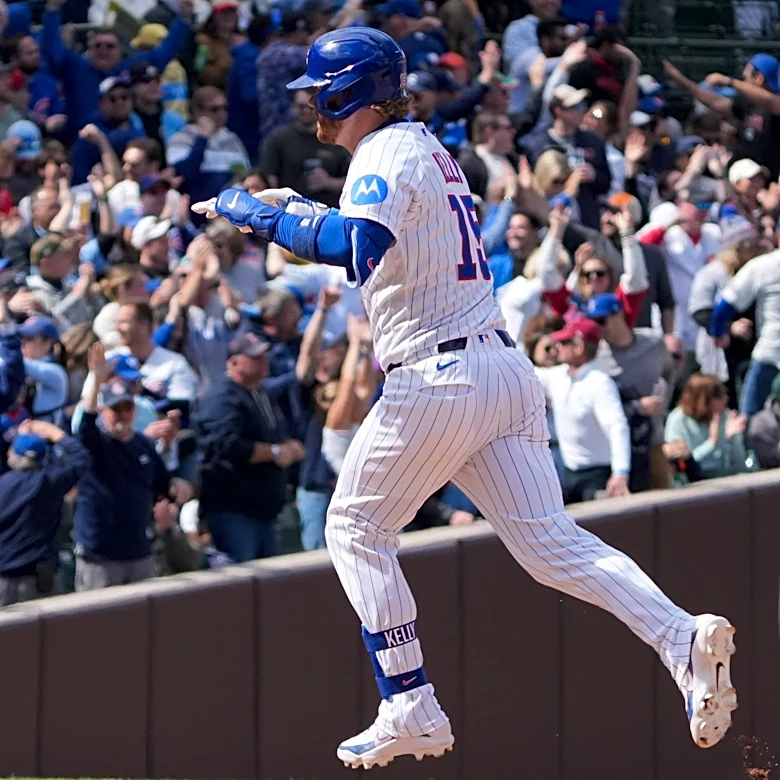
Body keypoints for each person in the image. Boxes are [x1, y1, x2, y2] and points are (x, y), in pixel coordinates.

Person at [193, 27, 737, 769]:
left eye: (319, 90)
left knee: (354, 528)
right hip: (499, 371)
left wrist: (263, 217)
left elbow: (357, 247)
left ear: (350, 90)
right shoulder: (423, 149)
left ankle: (410, 702)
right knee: (551, 545)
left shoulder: (384, 151)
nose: (311, 104)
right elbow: (371, 239)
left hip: (438, 374)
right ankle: (680, 636)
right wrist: (289, 208)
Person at [74, 342, 192, 591]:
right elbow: (86, 423)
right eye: (115, 408)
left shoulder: (143, 445)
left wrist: (176, 485)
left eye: (127, 407)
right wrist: (96, 378)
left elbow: (163, 482)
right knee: (98, 625)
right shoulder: (97, 443)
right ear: (104, 410)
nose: (121, 414)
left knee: (142, 625)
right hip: (101, 555)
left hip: (139, 552)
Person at [194, 333, 305, 562]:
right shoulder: (221, 397)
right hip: (234, 511)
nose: (263, 362)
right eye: (254, 357)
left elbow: (273, 433)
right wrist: (275, 453)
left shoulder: (259, 392)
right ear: (233, 362)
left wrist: (288, 447)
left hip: (264, 512)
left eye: (264, 356)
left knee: (272, 588)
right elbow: (227, 446)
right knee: (241, 589)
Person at [0, 419, 91, 606]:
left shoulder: (2, 485)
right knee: (48, 636)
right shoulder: (49, 482)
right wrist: (55, 433)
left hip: (3, 581)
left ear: (11, 454)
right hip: (41, 583)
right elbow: (81, 458)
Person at [664, 374, 748, 480]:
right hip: (694, 481)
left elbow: (740, 465)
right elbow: (684, 464)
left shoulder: (726, 416)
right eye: (719, 396)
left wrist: (732, 439)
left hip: (725, 480)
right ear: (703, 400)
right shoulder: (678, 420)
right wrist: (712, 443)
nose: (726, 399)